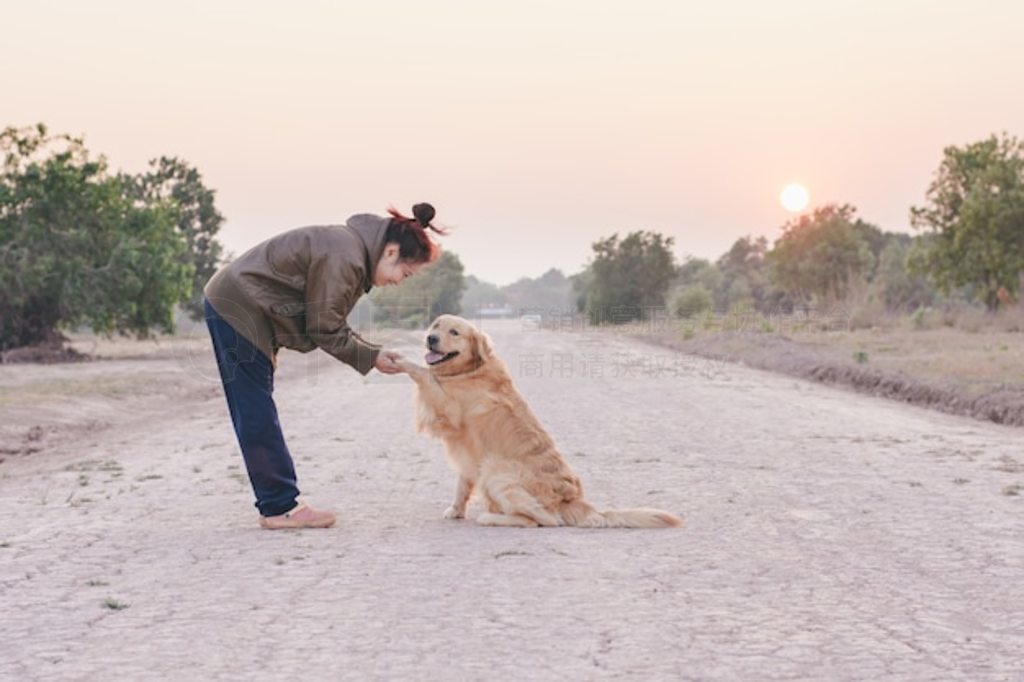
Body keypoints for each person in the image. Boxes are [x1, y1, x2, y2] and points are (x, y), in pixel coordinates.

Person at [203, 203, 445, 529]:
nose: (401, 281)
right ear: (390, 251)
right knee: (254, 406)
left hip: (241, 304)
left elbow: (323, 319)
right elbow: (325, 325)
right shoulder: (345, 256)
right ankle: (280, 506)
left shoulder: (350, 250)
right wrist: (370, 356)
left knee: (254, 404)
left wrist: (369, 354)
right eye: (406, 272)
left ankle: (277, 503)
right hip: (240, 307)